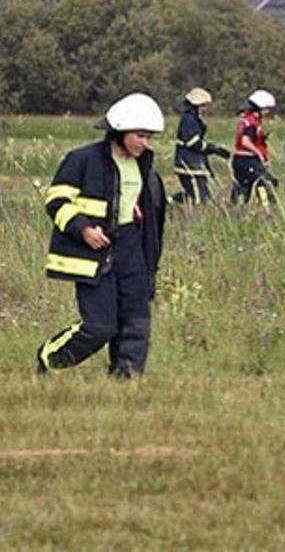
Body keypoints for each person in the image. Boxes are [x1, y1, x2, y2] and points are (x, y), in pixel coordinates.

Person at [36, 93, 167, 377]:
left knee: (136, 321)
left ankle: (126, 378)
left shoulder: (145, 168)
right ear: (119, 131)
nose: (145, 143)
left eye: (149, 137)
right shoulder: (82, 160)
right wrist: (83, 229)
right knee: (100, 327)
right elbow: (56, 201)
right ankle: (50, 358)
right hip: (93, 251)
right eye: (141, 136)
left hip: (131, 248)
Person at [172, 87, 229, 204]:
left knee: (196, 195)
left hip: (195, 165)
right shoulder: (188, 119)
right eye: (204, 105)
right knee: (200, 199)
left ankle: (168, 201)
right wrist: (214, 149)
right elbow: (193, 143)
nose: (206, 109)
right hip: (188, 166)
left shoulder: (194, 118)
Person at [231, 89, 277, 204]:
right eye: (266, 109)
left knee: (242, 189)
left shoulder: (249, 120)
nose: (267, 112)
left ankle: (236, 211)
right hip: (247, 159)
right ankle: (267, 210)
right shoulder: (251, 122)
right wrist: (259, 153)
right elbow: (245, 141)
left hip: (240, 160)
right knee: (265, 182)